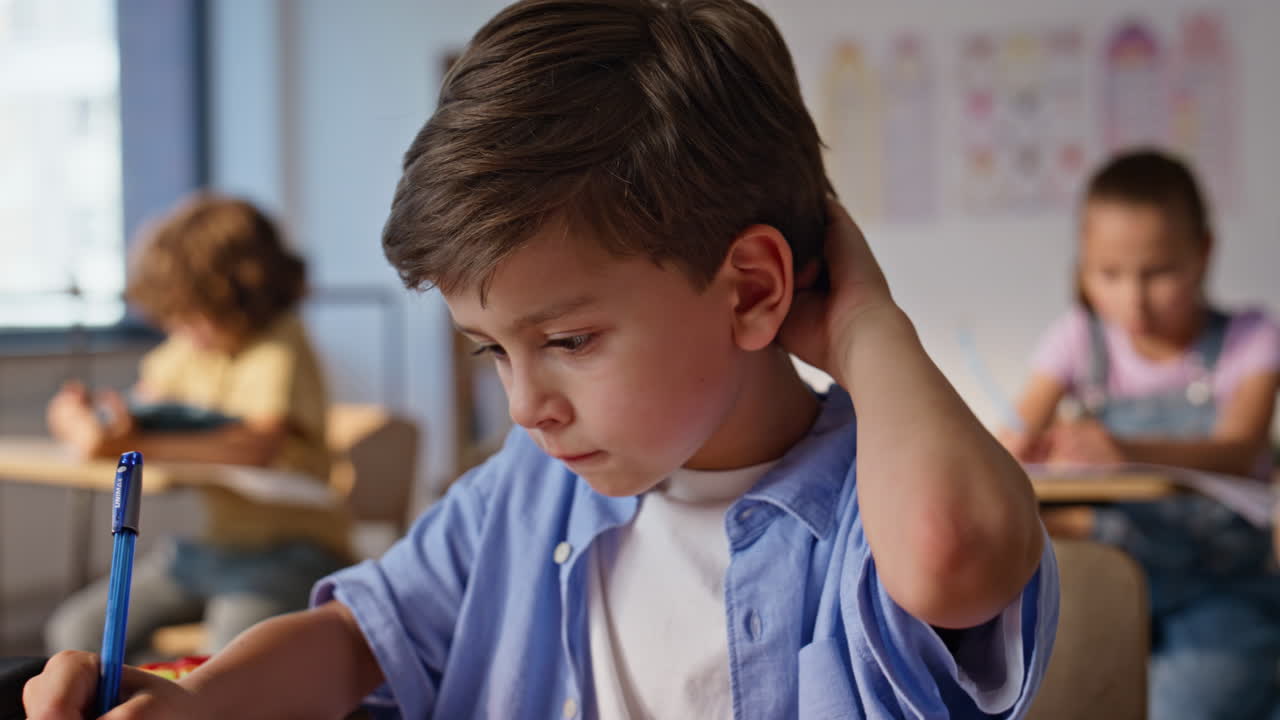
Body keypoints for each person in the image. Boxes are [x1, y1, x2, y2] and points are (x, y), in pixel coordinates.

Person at [22, 1, 1055, 717]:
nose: (525, 406)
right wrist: (200, 706)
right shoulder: (521, 495)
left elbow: (954, 561)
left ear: (749, 290)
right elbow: (364, 641)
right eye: (490, 353)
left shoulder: (867, 513)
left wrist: (867, 324)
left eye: (567, 342)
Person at [1003, 149, 1280, 720]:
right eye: (1109, 274)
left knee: (1193, 708)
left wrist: (1122, 451)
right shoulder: (1078, 337)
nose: (1133, 298)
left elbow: (1240, 450)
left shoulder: (1251, 338)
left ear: (1203, 253)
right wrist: (1030, 447)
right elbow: (1004, 446)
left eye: (1158, 273)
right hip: (1108, 584)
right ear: (1083, 265)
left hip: (1222, 591)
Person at [42, 193, 351, 657]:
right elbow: (131, 411)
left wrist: (131, 441)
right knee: (77, 635)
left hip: (294, 552)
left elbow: (257, 446)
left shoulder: (280, 345)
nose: (184, 330)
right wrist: (76, 418)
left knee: (228, 655)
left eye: (195, 315)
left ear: (244, 298)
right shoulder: (191, 348)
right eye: (176, 318)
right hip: (211, 550)